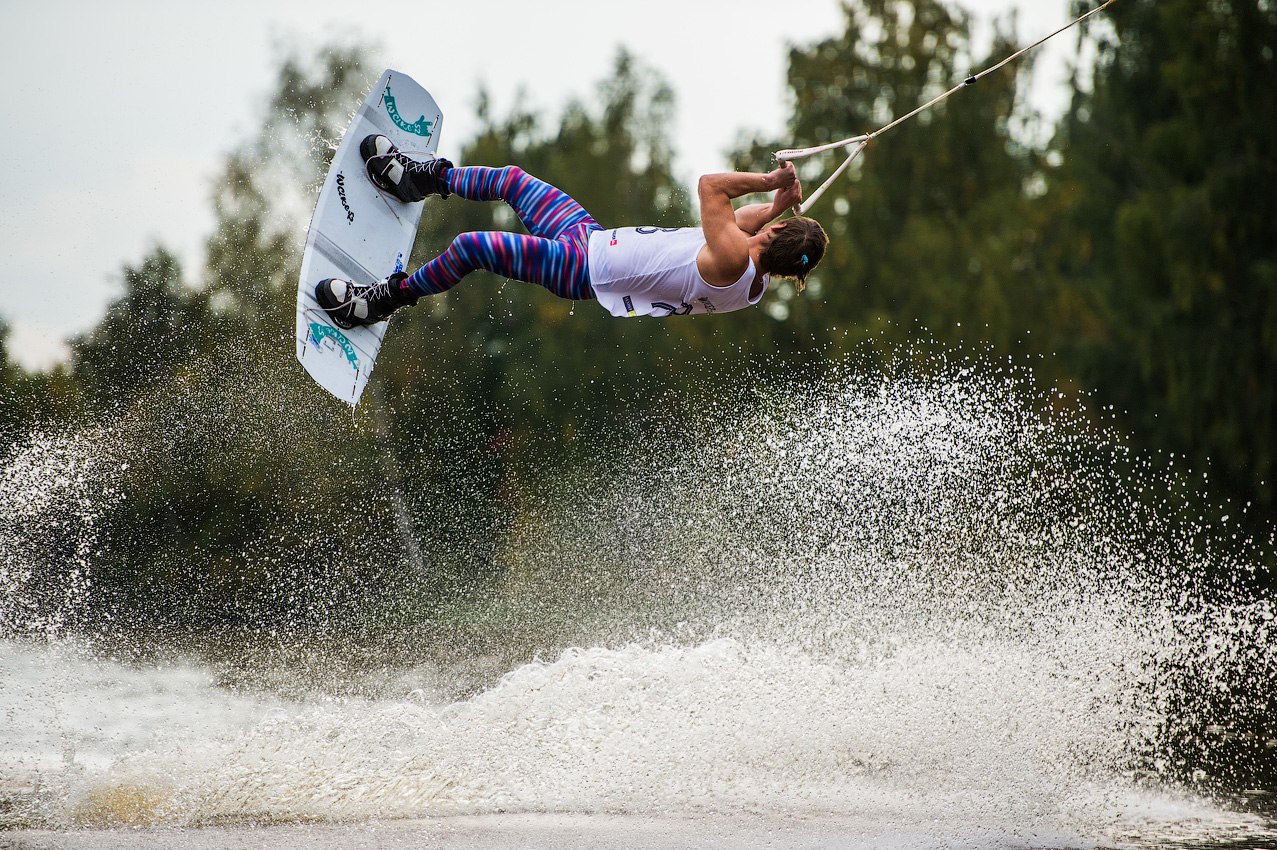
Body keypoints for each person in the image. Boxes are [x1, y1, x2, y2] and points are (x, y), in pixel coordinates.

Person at [315, 135, 829, 329]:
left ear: (778, 234)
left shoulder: (734, 260)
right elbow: (741, 222)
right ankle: (414, 179)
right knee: (512, 181)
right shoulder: (749, 278)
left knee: (472, 248)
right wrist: (779, 202)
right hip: (588, 238)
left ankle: (381, 300)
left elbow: (711, 188)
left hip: (582, 271)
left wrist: (769, 180)